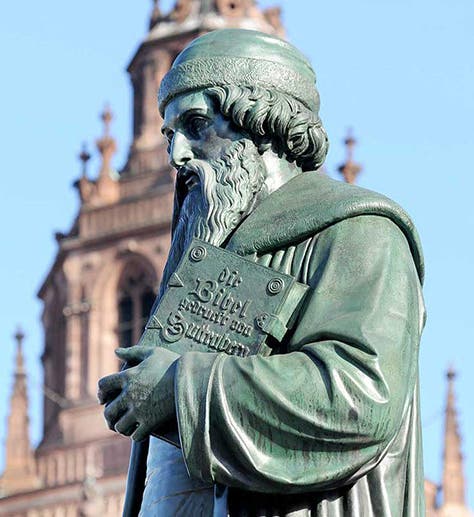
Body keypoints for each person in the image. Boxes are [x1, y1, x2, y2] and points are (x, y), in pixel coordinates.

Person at [98, 29, 426, 516]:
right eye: (169, 135)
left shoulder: (360, 232)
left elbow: (363, 395)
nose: (177, 155)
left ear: (263, 123)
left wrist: (177, 388)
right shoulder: (201, 259)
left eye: (195, 124)